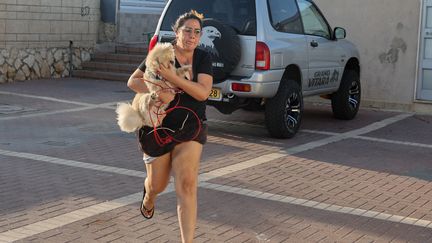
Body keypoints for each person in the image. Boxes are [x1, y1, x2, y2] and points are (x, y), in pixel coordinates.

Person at [126, 10, 213, 243]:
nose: (192, 36)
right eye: (187, 31)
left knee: (187, 184)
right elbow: (133, 81)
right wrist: (157, 90)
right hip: (157, 126)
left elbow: (203, 92)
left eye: (197, 32)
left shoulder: (203, 58)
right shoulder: (161, 53)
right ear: (176, 32)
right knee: (158, 185)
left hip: (190, 127)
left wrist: (173, 80)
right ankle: (148, 198)